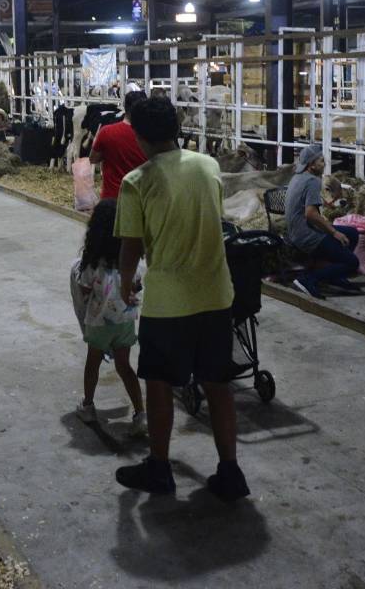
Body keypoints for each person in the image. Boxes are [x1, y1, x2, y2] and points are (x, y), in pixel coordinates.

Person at [114, 95, 249, 501]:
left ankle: (159, 467)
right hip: (215, 292)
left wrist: (124, 281)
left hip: (169, 301)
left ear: (138, 136)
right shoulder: (208, 166)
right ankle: (230, 471)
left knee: (158, 383)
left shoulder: (137, 181)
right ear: (176, 128)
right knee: (218, 383)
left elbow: (132, 245)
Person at [70, 199, 146, 437]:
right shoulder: (133, 264)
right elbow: (137, 286)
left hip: (99, 323)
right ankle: (140, 412)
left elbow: (83, 291)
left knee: (92, 364)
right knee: (125, 367)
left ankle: (88, 406)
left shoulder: (92, 265)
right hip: (124, 322)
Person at [284, 144, 361, 296]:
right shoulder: (312, 181)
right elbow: (311, 214)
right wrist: (334, 232)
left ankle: (334, 275)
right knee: (353, 263)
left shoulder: (298, 177)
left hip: (295, 231)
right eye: (321, 161)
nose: (324, 164)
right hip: (306, 235)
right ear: (311, 164)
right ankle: (307, 279)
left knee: (352, 233)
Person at [89, 89, 148, 200]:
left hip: (111, 198)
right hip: (140, 199)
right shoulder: (150, 136)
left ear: (125, 107)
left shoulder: (106, 132)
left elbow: (93, 159)